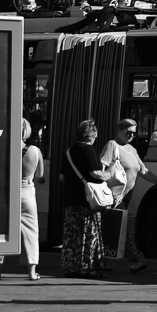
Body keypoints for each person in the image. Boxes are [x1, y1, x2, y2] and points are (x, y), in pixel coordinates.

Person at [0, 119, 43, 281]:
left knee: (1, 233)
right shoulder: (35, 150)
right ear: (26, 131)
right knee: (31, 233)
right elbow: (40, 176)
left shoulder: (3, 149)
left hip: (7, 194)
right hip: (27, 194)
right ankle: (32, 272)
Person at [57, 118, 110, 277]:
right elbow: (95, 173)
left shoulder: (68, 151)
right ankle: (87, 267)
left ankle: (71, 266)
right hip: (86, 201)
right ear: (91, 135)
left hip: (70, 199)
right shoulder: (89, 150)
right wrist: (109, 174)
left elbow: (62, 177)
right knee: (89, 233)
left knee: (72, 235)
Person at [104, 118, 148, 274]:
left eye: (133, 134)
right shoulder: (112, 146)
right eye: (128, 132)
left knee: (115, 230)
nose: (131, 136)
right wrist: (109, 193)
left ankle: (104, 261)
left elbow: (143, 171)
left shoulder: (132, 149)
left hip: (126, 198)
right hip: (115, 198)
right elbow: (101, 170)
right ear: (119, 130)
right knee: (125, 231)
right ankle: (135, 260)